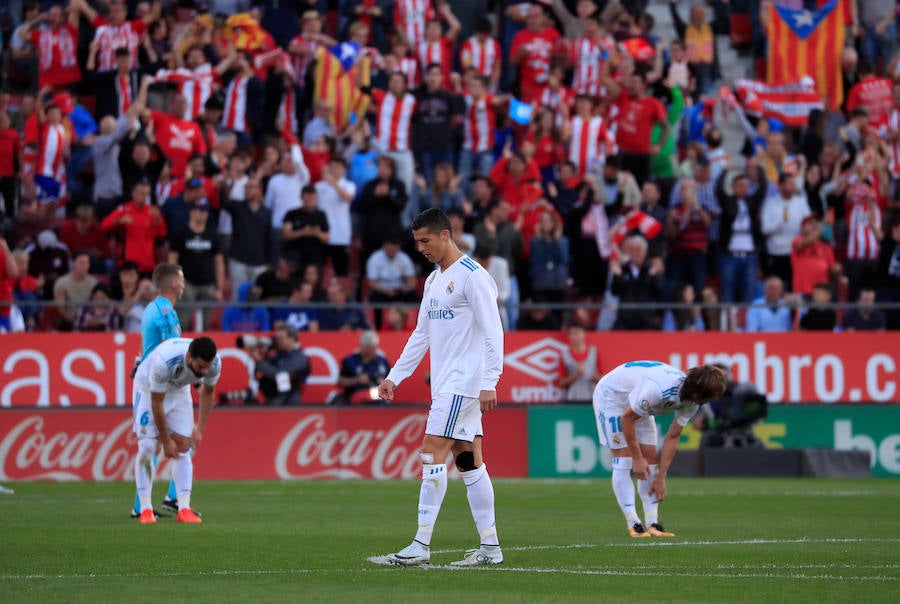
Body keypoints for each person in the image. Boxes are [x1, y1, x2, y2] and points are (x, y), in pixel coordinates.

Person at [377, 208, 504, 567]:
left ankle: (421, 544)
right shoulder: (433, 281)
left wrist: (490, 381)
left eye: (425, 240)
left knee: (431, 452)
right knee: (469, 462)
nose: (420, 248)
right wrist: (394, 376)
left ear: (446, 235)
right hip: (448, 384)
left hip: (462, 385)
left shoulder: (473, 277)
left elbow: (494, 331)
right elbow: (422, 334)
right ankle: (490, 548)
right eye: (417, 242)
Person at [592, 361, 727, 537]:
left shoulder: (692, 402)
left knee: (651, 459)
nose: (707, 402)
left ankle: (652, 524)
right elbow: (627, 419)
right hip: (613, 397)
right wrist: (637, 458)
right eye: (707, 398)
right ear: (697, 392)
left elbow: (673, 436)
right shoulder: (657, 390)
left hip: (638, 402)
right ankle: (634, 524)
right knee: (624, 458)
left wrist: (661, 476)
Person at [132, 336, 220, 524]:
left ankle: (184, 509)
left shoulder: (214, 364)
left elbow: (208, 393)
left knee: (183, 448)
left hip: (179, 391)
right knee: (148, 447)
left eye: (207, 367)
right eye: (200, 367)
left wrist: (200, 430)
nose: (204, 371)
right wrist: (165, 440)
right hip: (148, 389)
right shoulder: (164, 361)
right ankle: (145, 509)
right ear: (189, 357)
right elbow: (156, 403)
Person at [250, 324, 310, 406]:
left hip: (290, 401)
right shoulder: (280, 354)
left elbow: (279, 374)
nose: (278, 341)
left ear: (291, 338)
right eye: (277, 338)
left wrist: (259, 360)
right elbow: (265, 370)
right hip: (275, 397)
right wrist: (264, 353)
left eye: (281, 338)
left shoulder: (299, 357)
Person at [335, 330, 392, 405]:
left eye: (372, 349)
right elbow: (340, 382)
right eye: (367, 349)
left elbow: (393, 381)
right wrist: (357, 380)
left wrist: (384, 382)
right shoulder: (350, 361)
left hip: (379, 397)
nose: (369, 352)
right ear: (360, 346)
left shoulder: (382, 361)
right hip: (357, 397)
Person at [557, 323, 601, 403]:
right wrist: (576, 375)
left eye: (577, 333)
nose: (574, 337)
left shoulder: (594, 352)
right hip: (572, 398)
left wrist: (593, 376)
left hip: (592, 397)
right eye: (571, 334)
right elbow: (561, 382)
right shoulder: (565, 355)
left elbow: (603, 379)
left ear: (584, 334)